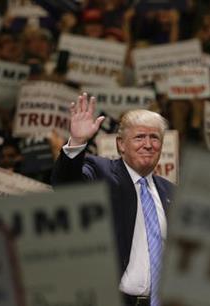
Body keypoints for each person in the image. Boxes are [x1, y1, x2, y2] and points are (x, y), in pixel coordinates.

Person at [51, 93, 174, 306]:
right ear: (121, 145)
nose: (148, 144)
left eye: (154, 138)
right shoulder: (101, 172)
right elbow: (67, 187)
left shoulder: (171, 192)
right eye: (139, 137)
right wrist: (78, 142)